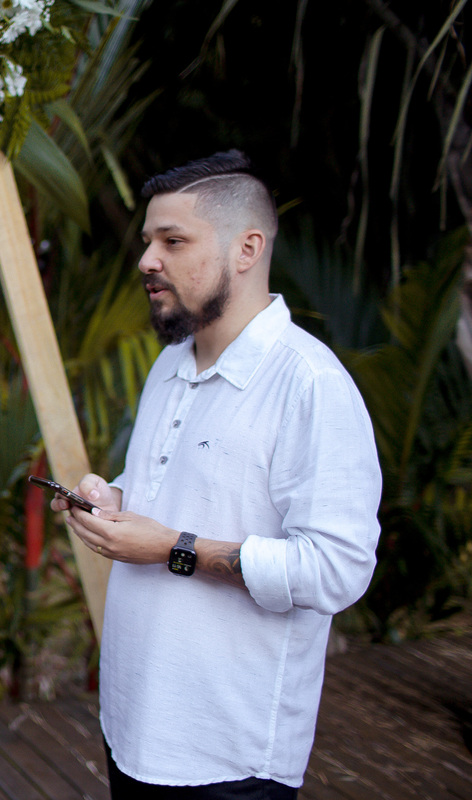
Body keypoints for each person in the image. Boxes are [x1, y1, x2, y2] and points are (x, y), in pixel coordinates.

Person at [54, 151, 381, 798]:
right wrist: (113, 500)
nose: (148, 259)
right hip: (133, 723)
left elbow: (338, 569)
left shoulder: (309, 386)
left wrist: (174, 549)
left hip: (230, 754)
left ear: (247, 248)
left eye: (173, 241)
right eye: (148, 241)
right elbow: (186, 494)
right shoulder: (171, 363)